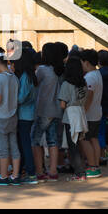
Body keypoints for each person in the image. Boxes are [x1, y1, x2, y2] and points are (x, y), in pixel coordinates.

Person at [0, 54, 21, 185]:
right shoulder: (14, 77)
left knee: (2, 148)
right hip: (13, 115)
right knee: (14, 146)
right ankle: (15, 175)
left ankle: (3, 176)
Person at [33, 43, 62, 182]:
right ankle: (53, 171)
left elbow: (35, 84)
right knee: (53, 141)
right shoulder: (59, 70)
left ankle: (39, 171)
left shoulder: (42, 70)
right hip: (57, 110)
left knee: (36, 140)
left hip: (43, 110)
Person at [58, 55, 89, 181]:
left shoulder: (66, 84)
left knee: (73, 147)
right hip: (81, 114)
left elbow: (62, 104)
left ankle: (79, 173)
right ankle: (80, 170)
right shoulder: (83, 82)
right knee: (78, 144)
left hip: (70, 116)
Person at [14, 45, 40, 185]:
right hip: (28, 114)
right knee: (24, 143)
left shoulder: (25, 77)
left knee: (25, 144)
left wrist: (10, 101)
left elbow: (21, 98)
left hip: (24, 115)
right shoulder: (30, 75)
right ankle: (26, 170)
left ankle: (31, 173)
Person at [80, 48, 104, 178]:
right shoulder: (98, 74)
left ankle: (92, 166)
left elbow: (89, 96)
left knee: (84, 139)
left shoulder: (89, 77)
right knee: (93, 139)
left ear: (87, 62)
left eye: (82, 62)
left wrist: (83, 111)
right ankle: (96, 165)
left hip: (88, 114)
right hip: (96, 112)